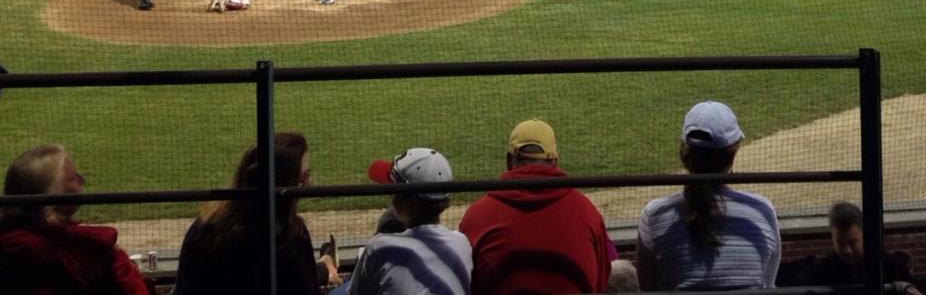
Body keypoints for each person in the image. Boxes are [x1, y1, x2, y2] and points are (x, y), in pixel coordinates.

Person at [636, 101, 780, 291]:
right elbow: (767, 284)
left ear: (684, 152)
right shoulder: (761, 210)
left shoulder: (656, 214)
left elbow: (648, 288)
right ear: (734, 151)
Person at [459, 118, 611, 295]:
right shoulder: (587, 213)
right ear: (555, 162)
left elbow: (466, 286)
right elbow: (601, 283)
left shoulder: (477, 216)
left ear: (509, 161)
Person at [173, 131, 323, 295]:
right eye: (303, 178)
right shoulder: (291, 238)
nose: (309, 184)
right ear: (283, 182)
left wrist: (323, 269)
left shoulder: (203, 229)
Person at [0, 144, 151, 294]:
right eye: (72, 178)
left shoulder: (7, 245)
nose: (82, 180)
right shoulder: (98, 249)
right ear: (53, 196)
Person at [348, 147, 471, 295]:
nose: (390, 196)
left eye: (394, 190)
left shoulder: (380, 247)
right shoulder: (462, 243)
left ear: (409, 202)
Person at [808, 201, 865, 286]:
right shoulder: (821, 271)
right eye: (840, 243)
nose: (847, 250)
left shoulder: (883, 264)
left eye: (852, 242)